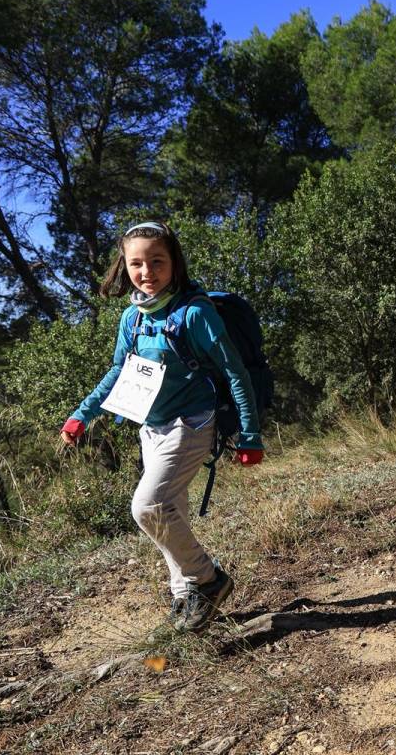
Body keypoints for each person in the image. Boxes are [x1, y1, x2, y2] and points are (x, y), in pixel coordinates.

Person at [60, 221, 264, 632]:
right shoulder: (131, 318)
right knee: (172, 514)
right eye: (137, 263)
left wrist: (250, 433)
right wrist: (82, 414)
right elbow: (119, 371)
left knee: (148, 507)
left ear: (175, 263)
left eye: (157, 261)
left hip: (192, 424)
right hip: (151, 428)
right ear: (125, 266)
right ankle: (186, 596)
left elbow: (235, 372)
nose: (147, 271)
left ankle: (209, 580)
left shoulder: (196, 313)